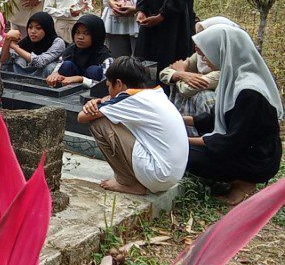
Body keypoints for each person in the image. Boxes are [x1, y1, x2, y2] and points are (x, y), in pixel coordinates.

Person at [185, 24, 283, 205]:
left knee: (184, 154)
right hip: (243, 149)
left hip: (257, 159)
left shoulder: (249, 91)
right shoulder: (235, 77)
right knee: (184, 149)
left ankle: (244, 182)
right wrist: (181, 120)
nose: (204, 59)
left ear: (222, 51)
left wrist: (182, 140)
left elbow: (231, 141)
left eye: (206, 53)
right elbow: (218, 118)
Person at [78, 56, 188, 195]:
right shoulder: (154, 94)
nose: (108, 91)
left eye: (109, 86)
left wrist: (96, 103)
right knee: (112, 119)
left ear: (119, 84)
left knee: (99, 123)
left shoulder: (129, 98)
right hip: (172, 175)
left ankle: (127, 182)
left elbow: (82, 117)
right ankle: (136, 179)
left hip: (158, 175)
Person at [159, 17, 240, 134]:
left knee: (203, 95)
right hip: (198, 119)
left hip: (213, 120)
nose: (196, 45)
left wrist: (180, 73)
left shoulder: (225, 69)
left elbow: (186, 89)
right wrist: (181, 74)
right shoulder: (199, 57)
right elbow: (165, 72)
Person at [47, 14, 113, 88]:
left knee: (94, 70)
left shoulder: (104, 56)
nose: (80, 37)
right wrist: (55, 75)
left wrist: (81, 79)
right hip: (69, 89)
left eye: (86, 34)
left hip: (93, 92)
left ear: (96, 35)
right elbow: (58, 68)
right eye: (77, 32)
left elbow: (106, 84)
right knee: (66, 65)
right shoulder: (70, 50)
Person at [0, 11, 66, 78]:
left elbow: (40, 62)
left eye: (38, 28)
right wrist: (7, 40)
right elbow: (4, 62)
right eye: (30, 27)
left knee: (50, 67)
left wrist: (15, 47)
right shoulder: (27, 41)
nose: (33, 31)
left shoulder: (58, 42)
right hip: (25, 76)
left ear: (47, 29)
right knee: (18, 60)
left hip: (47, 78)